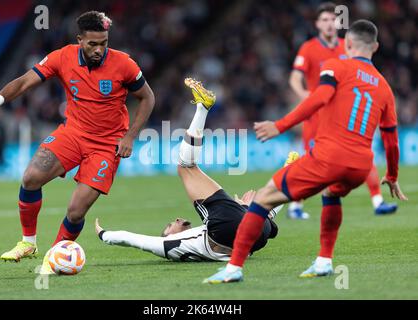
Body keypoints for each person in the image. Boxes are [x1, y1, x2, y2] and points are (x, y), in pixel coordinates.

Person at [204, 20, 407, 284]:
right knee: (331, 192)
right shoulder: (384, 88)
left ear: (346, 43)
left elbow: (320, 98)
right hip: (360, 165)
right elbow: (391, 140)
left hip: (330, 156)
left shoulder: (337, 65)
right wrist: (391, 175)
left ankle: (233, 269)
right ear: (376, 47)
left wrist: (280, 125)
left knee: (263, 198)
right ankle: (324, 262)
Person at [0, 11, 155, 274]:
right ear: (80, 40)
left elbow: (148, 98)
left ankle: (54, 256)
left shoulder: (124, 64)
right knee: (31, 177)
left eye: (104, 43)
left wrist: (129, 136)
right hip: (73, 133)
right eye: (93, 44)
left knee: (76, 211)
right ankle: (28, 243)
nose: (99, 49)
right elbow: (24, 82)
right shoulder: (62, 57)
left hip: (106, 145)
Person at [95, 78, 289, 262]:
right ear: (169, 235)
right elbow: (138, 240)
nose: (177, 219)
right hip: (228, 229)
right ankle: (203, 107)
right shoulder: (169, 245)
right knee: (185, 167)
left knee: (263, 209)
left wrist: (246, 210)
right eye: (171, 225)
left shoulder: (195, 246)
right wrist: (105, 235)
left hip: (257, 238)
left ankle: (289, 176)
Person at [289, 2, 397, 218]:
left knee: (363, 152)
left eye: (333, 20)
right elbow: (294, 78)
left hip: (340, 116)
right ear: (318, 24)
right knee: (309, 158)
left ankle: (378, 201)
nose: (329, 24)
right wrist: (307, 98)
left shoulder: (347, 47)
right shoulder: (308, 48)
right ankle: (295, 206)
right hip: (317, 115)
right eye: (325, 20)